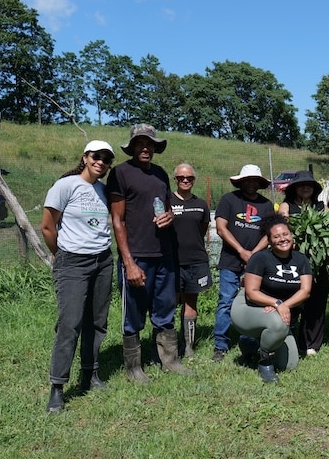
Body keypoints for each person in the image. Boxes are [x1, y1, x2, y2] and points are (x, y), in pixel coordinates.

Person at [106, 124, 193, 383]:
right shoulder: (120, 173)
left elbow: (165, 207)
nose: (146, 148)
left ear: (155, 147)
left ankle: (170, 360)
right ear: (132, 146)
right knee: (133, 313)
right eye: (140, 143)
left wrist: (168, 216)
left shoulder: (160, 174)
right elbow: (117, 220)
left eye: (150, 144)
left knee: (165, 308)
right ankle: (134, 367)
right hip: (137, 255)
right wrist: (129, 262)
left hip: (164, 253)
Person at [40, 140, 116, 412]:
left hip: (103, 260)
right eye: (96, 156)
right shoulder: (66, 185)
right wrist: (60, 255)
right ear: (85, 157)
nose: (101, 162)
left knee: (97, 322)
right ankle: (58, 387)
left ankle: (90, 374)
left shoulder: (103, 190)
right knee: (69, 324)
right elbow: (48, 226)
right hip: (72, 262)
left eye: (106, 159)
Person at [232, 216, 313, 382]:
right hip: (248, 307)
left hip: (277, 310)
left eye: (285, 234)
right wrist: (276, 303)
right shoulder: (260, 258)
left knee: (289, 365)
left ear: (292, 235)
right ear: (269, 240)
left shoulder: (301, 259)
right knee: (278, 324)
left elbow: (305, 291)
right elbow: (251, 292)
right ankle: (264, 362)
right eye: (276, 237)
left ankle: (252, 345)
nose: (282, 239)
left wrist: (283, 306)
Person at [212, 164, 275, 360]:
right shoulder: (229, 199)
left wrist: (253, 255)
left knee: (253, 301)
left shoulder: (265, 205)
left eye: (254, 180)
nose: (251, 184)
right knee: (226, 301)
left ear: (259, 183)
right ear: (240, 181)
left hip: (256, 265)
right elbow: (221, 228)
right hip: (230, 261)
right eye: (247, 180)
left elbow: (269, 233)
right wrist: (241, 251)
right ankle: (220, 345)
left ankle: (248, 341)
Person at [278, 170, 329, 356]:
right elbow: (281, 228)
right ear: (294, 188)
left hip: (318, 263)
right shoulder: (286, 206)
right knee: (294, 301)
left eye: (309, 185)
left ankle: (311, 344)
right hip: (293, 263)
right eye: (301, 185)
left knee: (317, 302)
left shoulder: (320, 206)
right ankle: (288, 339)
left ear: (314, 189)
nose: (306, 187)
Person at [170, 163, 212, 358]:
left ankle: (188, 347)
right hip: (172, 262)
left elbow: (202, 230)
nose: (185, 180)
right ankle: (168, 348)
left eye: (189, 178)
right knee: (170, 304)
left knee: (191, 303)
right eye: (181, 177)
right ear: (175, 180)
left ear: (194, 180)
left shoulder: (201, 204)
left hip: (196, 260)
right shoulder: (167, 201)